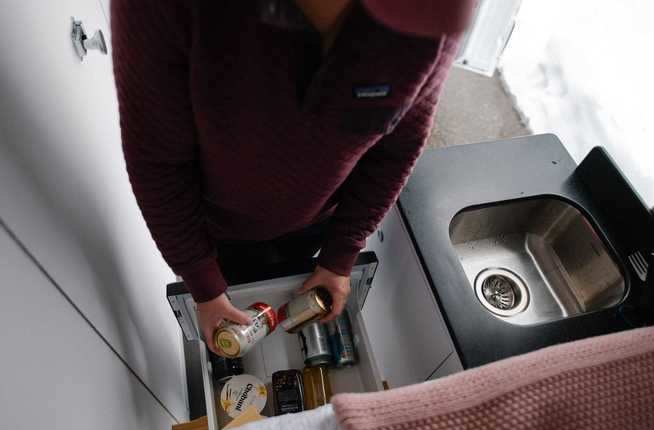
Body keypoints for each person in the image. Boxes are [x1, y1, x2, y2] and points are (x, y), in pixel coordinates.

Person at [111, 0, 474, 353]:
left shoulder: (434, 20)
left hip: (320, 220)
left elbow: (397, 148)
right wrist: (202, 279)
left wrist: (341, 251)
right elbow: (158, 160)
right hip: (218, 227)